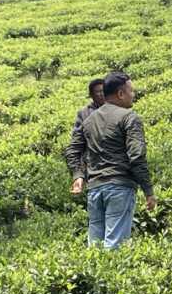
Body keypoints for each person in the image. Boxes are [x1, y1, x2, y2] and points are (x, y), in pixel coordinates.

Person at [65, 72, 156, 249]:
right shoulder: (129, 117)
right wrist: (148, 191)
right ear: (120, 94)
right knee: (115, 247)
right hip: (119, 187)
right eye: (131, 91)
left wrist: (78, 175)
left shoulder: (89, 121)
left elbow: (72, 150)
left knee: (95, 248)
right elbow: (137, 156)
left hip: (94, 190)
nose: (133, 95)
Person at [70, 78, 105, 177]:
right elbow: (76, 141)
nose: (101, 94)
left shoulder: (117, 110)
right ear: (91, 95)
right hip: (92, 165)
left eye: (103, 91)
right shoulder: (84, 113)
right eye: (98, 92)